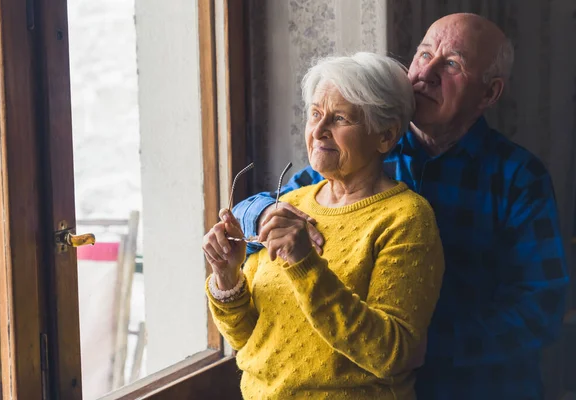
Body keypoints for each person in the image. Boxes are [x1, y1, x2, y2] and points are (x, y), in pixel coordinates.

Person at [232, 13, 569, 400]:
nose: (426, 73)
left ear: (489, 93)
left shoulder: (518, 177)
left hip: (475, 386)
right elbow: (272, 210)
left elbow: (540, 310)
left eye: (452, 64)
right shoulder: (365, 147)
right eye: (423, 54)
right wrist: (258, 215)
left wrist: (423, 347)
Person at [203, 53, 445, 399]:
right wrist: (227, 279)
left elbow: (390, 354)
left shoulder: (406, 218)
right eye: (315, 114)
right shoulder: (291, 204)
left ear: (385, 136)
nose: (318, 130)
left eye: (340, 118)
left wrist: (305, 265)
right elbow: (248, 339)